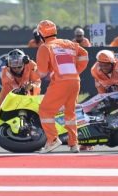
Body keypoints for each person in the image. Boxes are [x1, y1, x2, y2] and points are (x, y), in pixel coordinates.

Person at [36, 20, 89, 154]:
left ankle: (53, 139)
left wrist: (32, 74)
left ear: (41, 34)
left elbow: (42, 73)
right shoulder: (68, 43)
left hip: (60, 83)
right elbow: (84, 55)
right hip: (75, 81)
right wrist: (77, 70)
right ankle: (74, 143)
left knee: (45, 110)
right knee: (70, 113)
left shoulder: (45, 47)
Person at [0, 49, 41, 152]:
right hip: (9, 93)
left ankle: (40, 139)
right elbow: (12, 88)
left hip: (29, 91)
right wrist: (23, 88)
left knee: (38, 113)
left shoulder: (32, 66)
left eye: (19, 66)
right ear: (9, 64)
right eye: (14, 67)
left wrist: (32, 86)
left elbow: (37, 81)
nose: (16, 69)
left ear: (25, 62)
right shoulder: (5, 71)